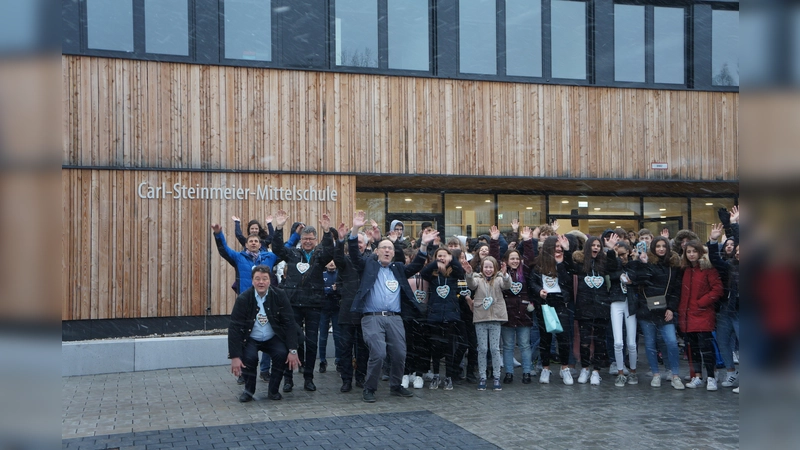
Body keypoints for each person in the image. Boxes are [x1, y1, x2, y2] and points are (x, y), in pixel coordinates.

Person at [348, 210, 437, 402]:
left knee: (399, 353)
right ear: (377, 251)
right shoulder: (369, 266)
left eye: (390, 248)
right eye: (384, 247)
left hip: (395, 318)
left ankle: (396, 386)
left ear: (394, 253)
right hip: (371, 317)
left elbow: (416, 266)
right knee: (378, 353)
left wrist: (423, 245)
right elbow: (354, 255)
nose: (387, 250)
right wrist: (355, 229)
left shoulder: (398, 269)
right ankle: (369, 388)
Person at [271, 210, 335, 393]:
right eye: (305, 238)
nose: (308, 241)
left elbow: (330, 251)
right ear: (301, 239)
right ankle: (288, 379)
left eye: (311, 239)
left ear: (315, 240)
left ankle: (309, 377)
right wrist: (279, 228)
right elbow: (277, 249)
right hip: (292, 305)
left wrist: (327, 231)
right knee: (292, 342)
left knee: (312, 342)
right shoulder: (292, 254)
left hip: (314, 304)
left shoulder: (320, 255)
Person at [227, 265, 301, 402]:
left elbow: (290, 323)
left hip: (272, 337)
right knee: (249, 358)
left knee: (281, 354)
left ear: (270, 281)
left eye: (264, 279)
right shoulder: (244, 299)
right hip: (251, 338)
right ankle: (248, 391)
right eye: (257, 279)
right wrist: (235, 356)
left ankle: (273, 391)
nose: (261, 282)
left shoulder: (279, 295)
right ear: (252, 281)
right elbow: (234, 328)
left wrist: (293, 350)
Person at [489, 225, 536, 385]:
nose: (515, 261)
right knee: (508, 346)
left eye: (517, 258)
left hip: (524, 312)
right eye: (512, 258)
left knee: (524, 345)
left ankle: (527, 372)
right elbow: (493, 258)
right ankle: (508, 372)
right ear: (506, 261)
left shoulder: (526, 270)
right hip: (506, 312)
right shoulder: (501, 273)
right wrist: (494, 241)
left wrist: (528, 240)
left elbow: (530, 256)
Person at [571, 233, 619, 385]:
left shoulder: (604, 263)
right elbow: (567, 266)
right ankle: (585, 368)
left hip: (601, 307)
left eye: (598, 246)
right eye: (593, 245)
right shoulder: (580, 263)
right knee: (584, 341)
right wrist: (566, 250)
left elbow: (614, 267)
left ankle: (596, 371)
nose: (596, 248)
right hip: (584, 307)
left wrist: (610, 250)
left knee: (599, 341)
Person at [678, 240, 724, 391]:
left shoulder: (708, 269)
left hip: (702, 313)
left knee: (706, 347)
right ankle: (698, 376)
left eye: (694, 251)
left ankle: (711, 376)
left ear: (700, 252)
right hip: (688, 315)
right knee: (693, 348)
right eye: (688, 252)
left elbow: (717, 289)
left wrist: (701, 302)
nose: (691, 254)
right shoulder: (685, 269)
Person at [529, 235, 575, 385]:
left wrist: (561, 264)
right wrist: (538, 291)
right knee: (545, 337)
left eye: (560, 247)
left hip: (561, 302)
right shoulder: (538, 264)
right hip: (545, 302)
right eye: (555, 247)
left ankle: (565, 367)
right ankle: (545, 368)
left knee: (563, 337)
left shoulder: (565, 263)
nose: (558, 249)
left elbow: (568, 281)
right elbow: (532, 282)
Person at [418, 247, 466, 390]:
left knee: (450, 347)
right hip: (435, 314)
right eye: (439, 256)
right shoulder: (432, 274)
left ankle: (449, 376)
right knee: (436, 346)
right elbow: (423, 273)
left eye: (445, 256)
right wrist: (435, 264)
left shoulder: (453, 273)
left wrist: (453, 260)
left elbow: (461, 272)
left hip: (451, 314)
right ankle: (436, 374)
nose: (442, 258)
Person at [332, 224, 370, 393]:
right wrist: (340, 240)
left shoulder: (370, 261)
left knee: (363, 348)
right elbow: (338, 260)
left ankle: (361, 377)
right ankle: (346, 379)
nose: (359, 245)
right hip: (347, 311)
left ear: (366, 245)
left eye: (362, 242)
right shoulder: (345, 260)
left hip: (365, 311)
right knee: (345, 348)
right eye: (357, 242)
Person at [466, 255, 512, 391]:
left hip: (495, 318)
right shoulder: (478, 279)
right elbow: (471, 285)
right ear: (482, 268)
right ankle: (482, 376)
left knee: (495, 349)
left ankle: (497, 376)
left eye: (490, 267)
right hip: (481, 317)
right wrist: (468, 274)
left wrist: (505, 275)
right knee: (482, 349)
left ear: (495, 268)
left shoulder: (498, 279)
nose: (488, 270)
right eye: (486, 267)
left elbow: (507, 285)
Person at [708, 212, 740, 388]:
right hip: (727, 309)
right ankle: (731, 372)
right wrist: (713, 241)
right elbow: (714, 259)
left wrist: (733, 224)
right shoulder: (729, 265)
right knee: (722, 341)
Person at [318, 259, 341, 374]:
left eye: (333, 261)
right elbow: (319, 290)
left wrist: (332, 290)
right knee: (322, 336)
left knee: (337, 336)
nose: (332, 263)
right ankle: (322, 361)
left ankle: (338, 360)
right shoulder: (322, 275)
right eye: (329, 261)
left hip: (337, 308)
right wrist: (331, 289)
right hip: (324, 308)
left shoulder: (339, 274)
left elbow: (341, 289)